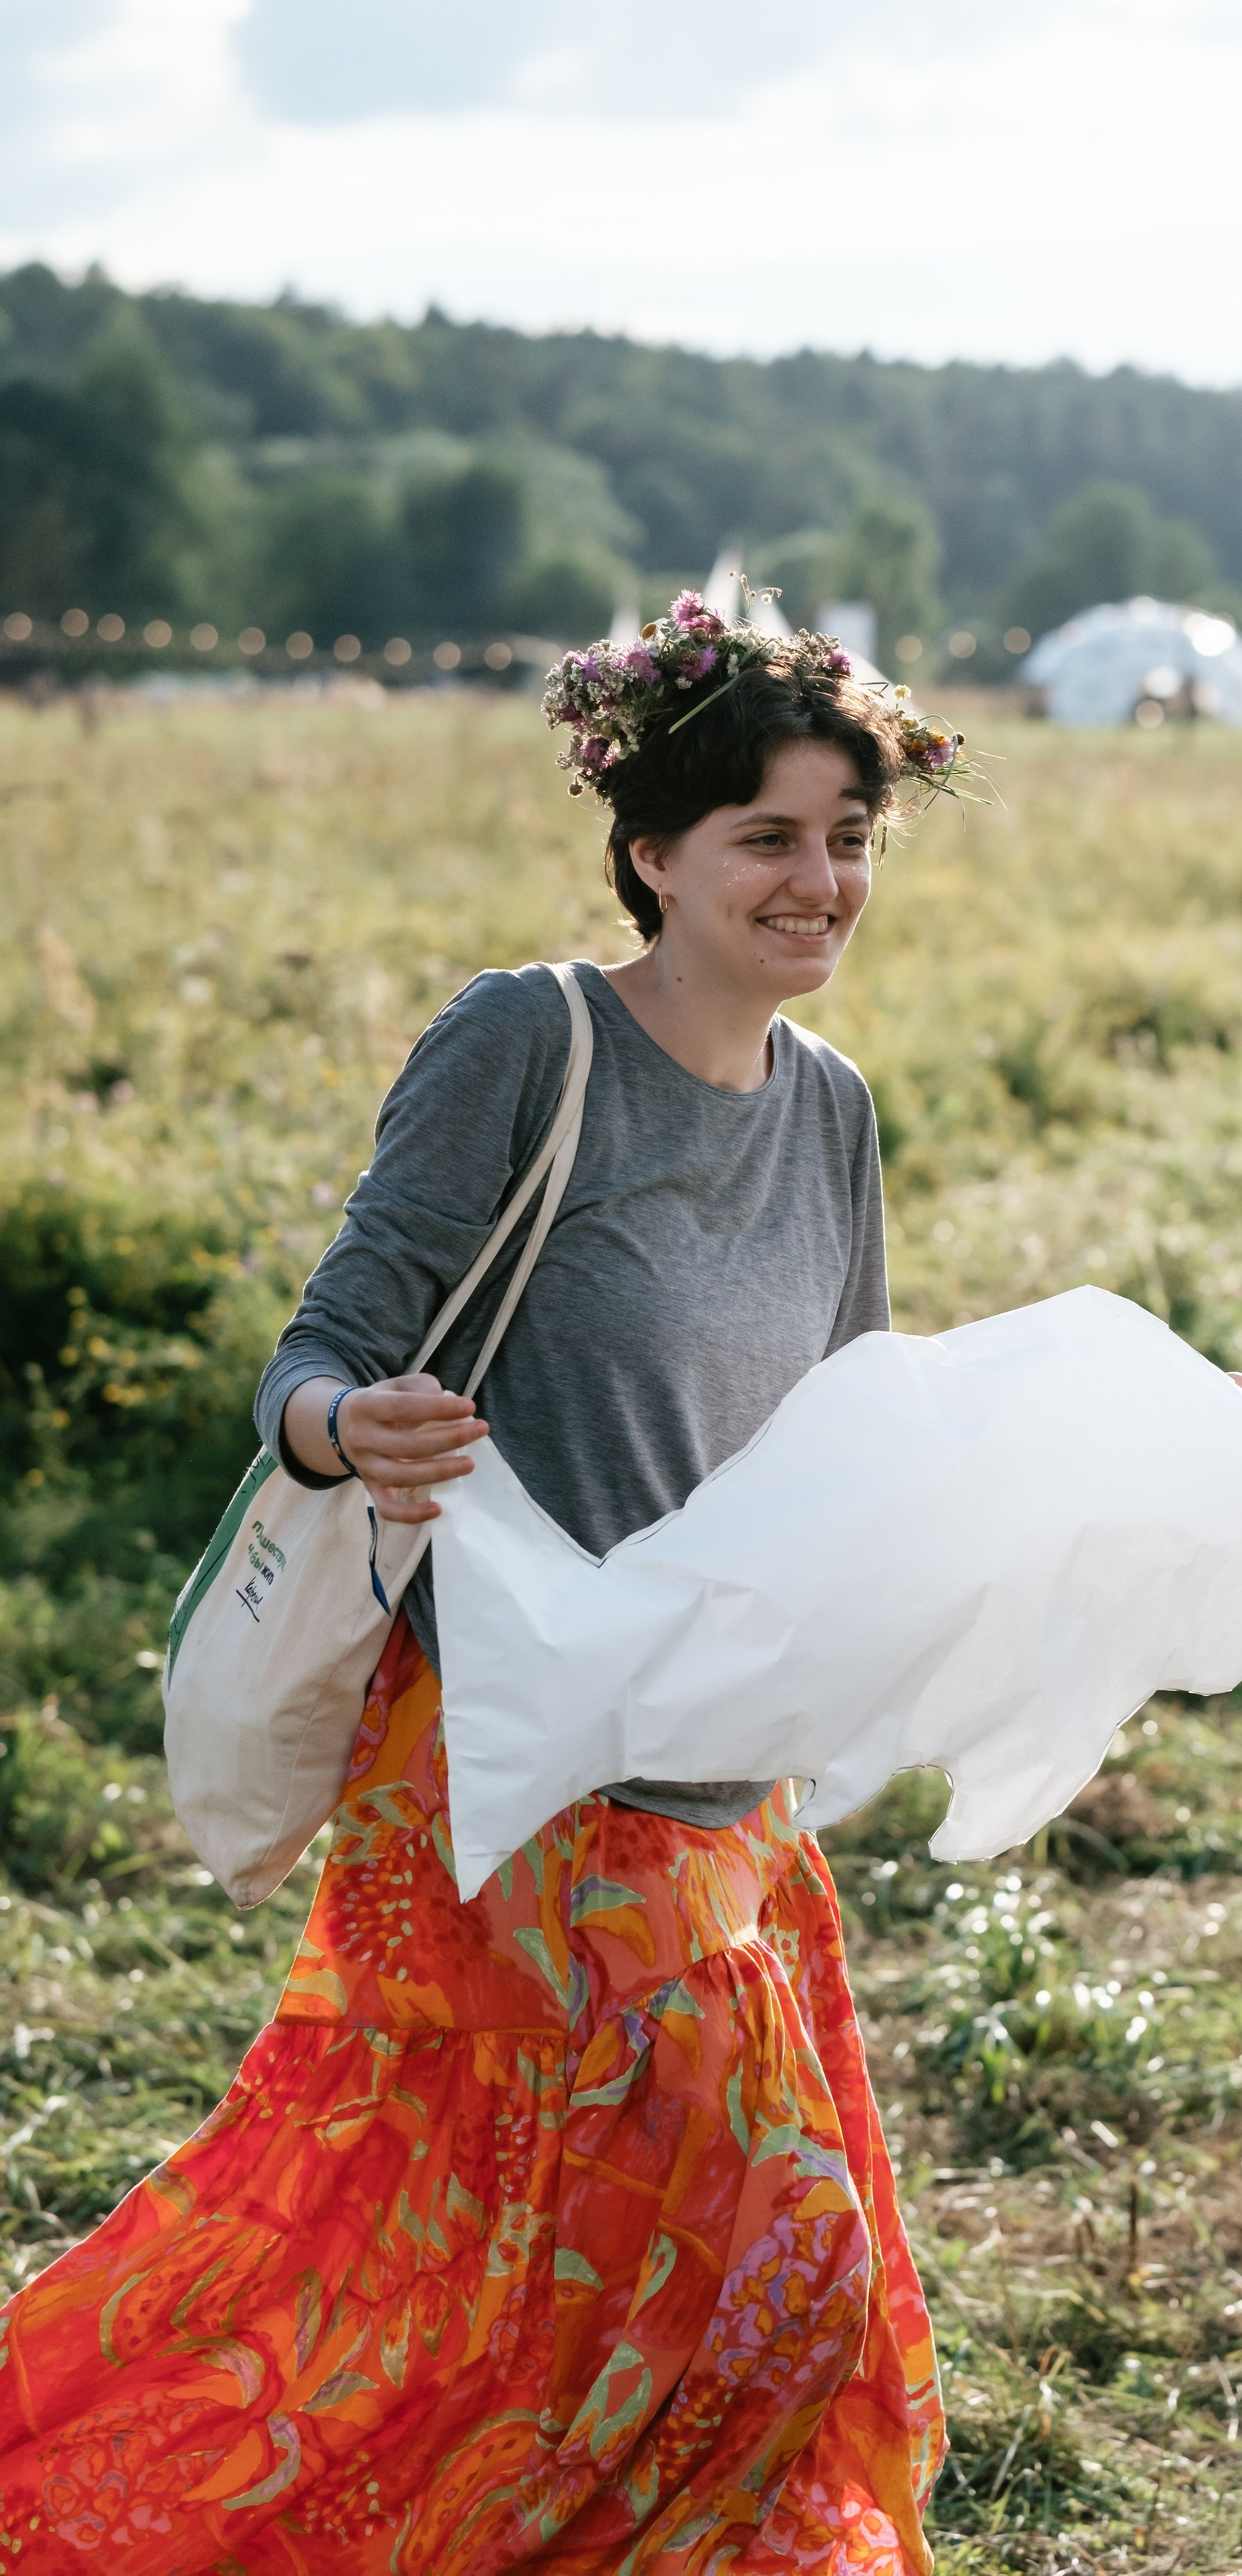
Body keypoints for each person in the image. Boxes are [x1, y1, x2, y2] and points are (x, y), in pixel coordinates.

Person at [0, 597, 971, 2573]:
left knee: (523, 2274)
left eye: (849, 835)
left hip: (720, 1785)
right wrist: (352, 1428)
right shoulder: (528, 1045)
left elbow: (868, 1427)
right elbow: (318, 1347)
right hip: (512, 1782)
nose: (821, 880)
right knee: (763, 2237)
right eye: (769, 838)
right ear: (655, 853)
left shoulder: (834, 1112)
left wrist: (1148, 1424)